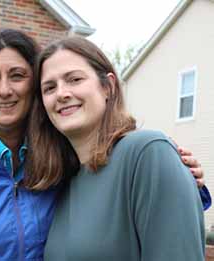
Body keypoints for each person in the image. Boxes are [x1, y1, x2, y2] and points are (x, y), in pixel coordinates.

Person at [0, 28, 210, 260]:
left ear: (107, 86)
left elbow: (135, 208)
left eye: (18, 75)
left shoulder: (55, 165)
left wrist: (180, 174)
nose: (4, 89)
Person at [26, 36, 206, 260]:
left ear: (108, 87)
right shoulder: (63, 182)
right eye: (49, 87)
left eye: (74, 79)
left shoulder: (147, 153)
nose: (62, 93)